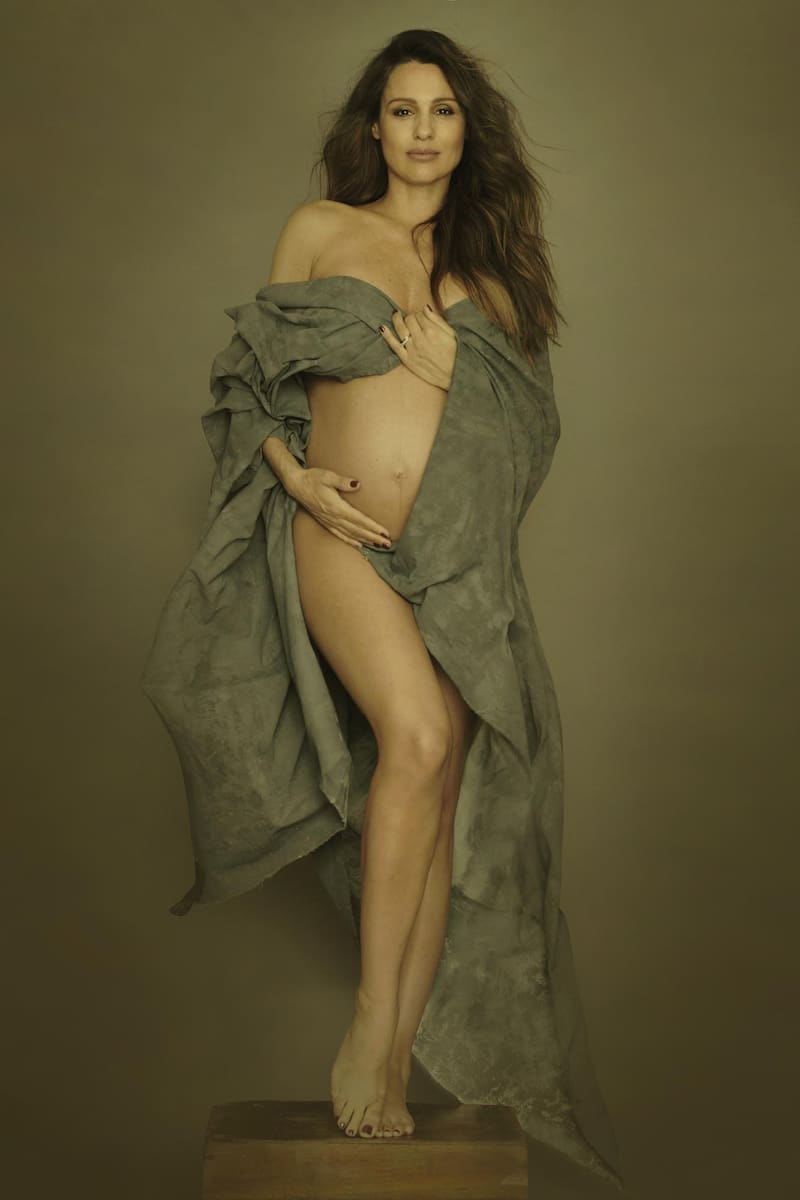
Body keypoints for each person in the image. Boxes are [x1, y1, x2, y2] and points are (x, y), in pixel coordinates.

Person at [141, 27, 624, 1188]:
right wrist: (296, 477)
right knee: (412, 734)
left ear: (466, 131)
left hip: (451, 562)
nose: (421, 131)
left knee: (442, 772)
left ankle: (396, 1057)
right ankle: (367, 1023)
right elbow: (248, 383)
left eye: (442, 111)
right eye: (403, 110)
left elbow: (532, 432)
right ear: (374, 127)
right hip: (339, 532)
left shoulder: (494, 272)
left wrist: (465, 379)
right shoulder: (320, 230)